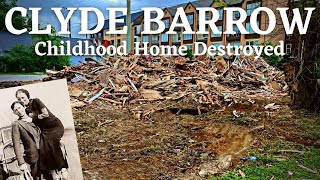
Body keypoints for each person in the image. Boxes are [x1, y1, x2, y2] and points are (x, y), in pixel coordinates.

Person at [15, 89, 68, 180]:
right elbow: (23, 120)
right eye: (19, 99)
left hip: (54, 126)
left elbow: (45, 114)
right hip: (44, 130)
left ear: (27, 96)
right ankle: (52, 171)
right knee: (43, 148)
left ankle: (63, 168)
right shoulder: (25, 110)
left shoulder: (36, 101)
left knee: (51, 141)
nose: (21, 100)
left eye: (23, 97)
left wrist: (33, 119)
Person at [11, 101, 40, 179]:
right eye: (16, 110)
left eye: (19, 107)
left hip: (46, 151)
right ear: (14, 113)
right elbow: (16, 145)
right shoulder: (16, 124)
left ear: (23, 106)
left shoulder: (35, 117)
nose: (19, 111)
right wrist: (21, 163)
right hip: (34, 157)